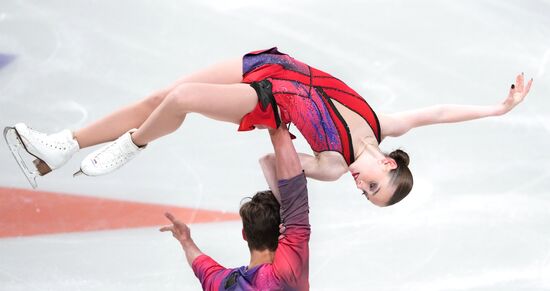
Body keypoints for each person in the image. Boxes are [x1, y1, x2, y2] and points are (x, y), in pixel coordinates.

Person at [8, 47, 533, 206]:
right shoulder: (383, 124)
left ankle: (133, 144)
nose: (359, 184)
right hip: (271, 66)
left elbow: (271, 163)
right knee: (159, 95)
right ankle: (61, 147)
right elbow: (439, 113)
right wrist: (498, 109)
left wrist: (284, 163)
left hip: (266, 102)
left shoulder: (331, 166)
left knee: (182, 99)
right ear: (389, 162)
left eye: (364, 193)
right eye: (373, 184)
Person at [160, 125, 310, 290]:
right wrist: (277, 128)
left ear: (244, 234)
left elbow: (202, 266)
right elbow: (295, 203)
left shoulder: (224, 284)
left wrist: (186, 241)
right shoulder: (285, 276)